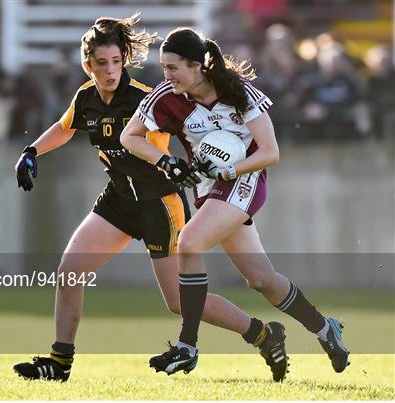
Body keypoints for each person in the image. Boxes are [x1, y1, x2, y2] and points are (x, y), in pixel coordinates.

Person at [13, 15, 286, 383]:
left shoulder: (144, 98)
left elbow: (161, 146)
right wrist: (31, 150)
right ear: (87, 65)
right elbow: (65, 128)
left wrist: (171, 163)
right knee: (69, 272)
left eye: (116, 61)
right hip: (119, 200)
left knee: (178, 303)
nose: (110, 71)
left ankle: (262, 334)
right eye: (101, 63)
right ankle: (59, 363)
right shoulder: (86, 98)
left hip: (159, 204)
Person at [121, 27, 350, 378]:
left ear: (197, 66)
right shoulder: (167, 96)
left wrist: (230, 169)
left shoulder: (237, 91)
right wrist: (165, 161)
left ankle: (187, 346)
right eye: (164, 67)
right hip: (211, 189)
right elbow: (130, 137)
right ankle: (324, 328)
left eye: (173, 67)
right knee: (261, 280)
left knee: (190, 243)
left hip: (245, 179)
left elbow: (271, 152)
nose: (166, 75)